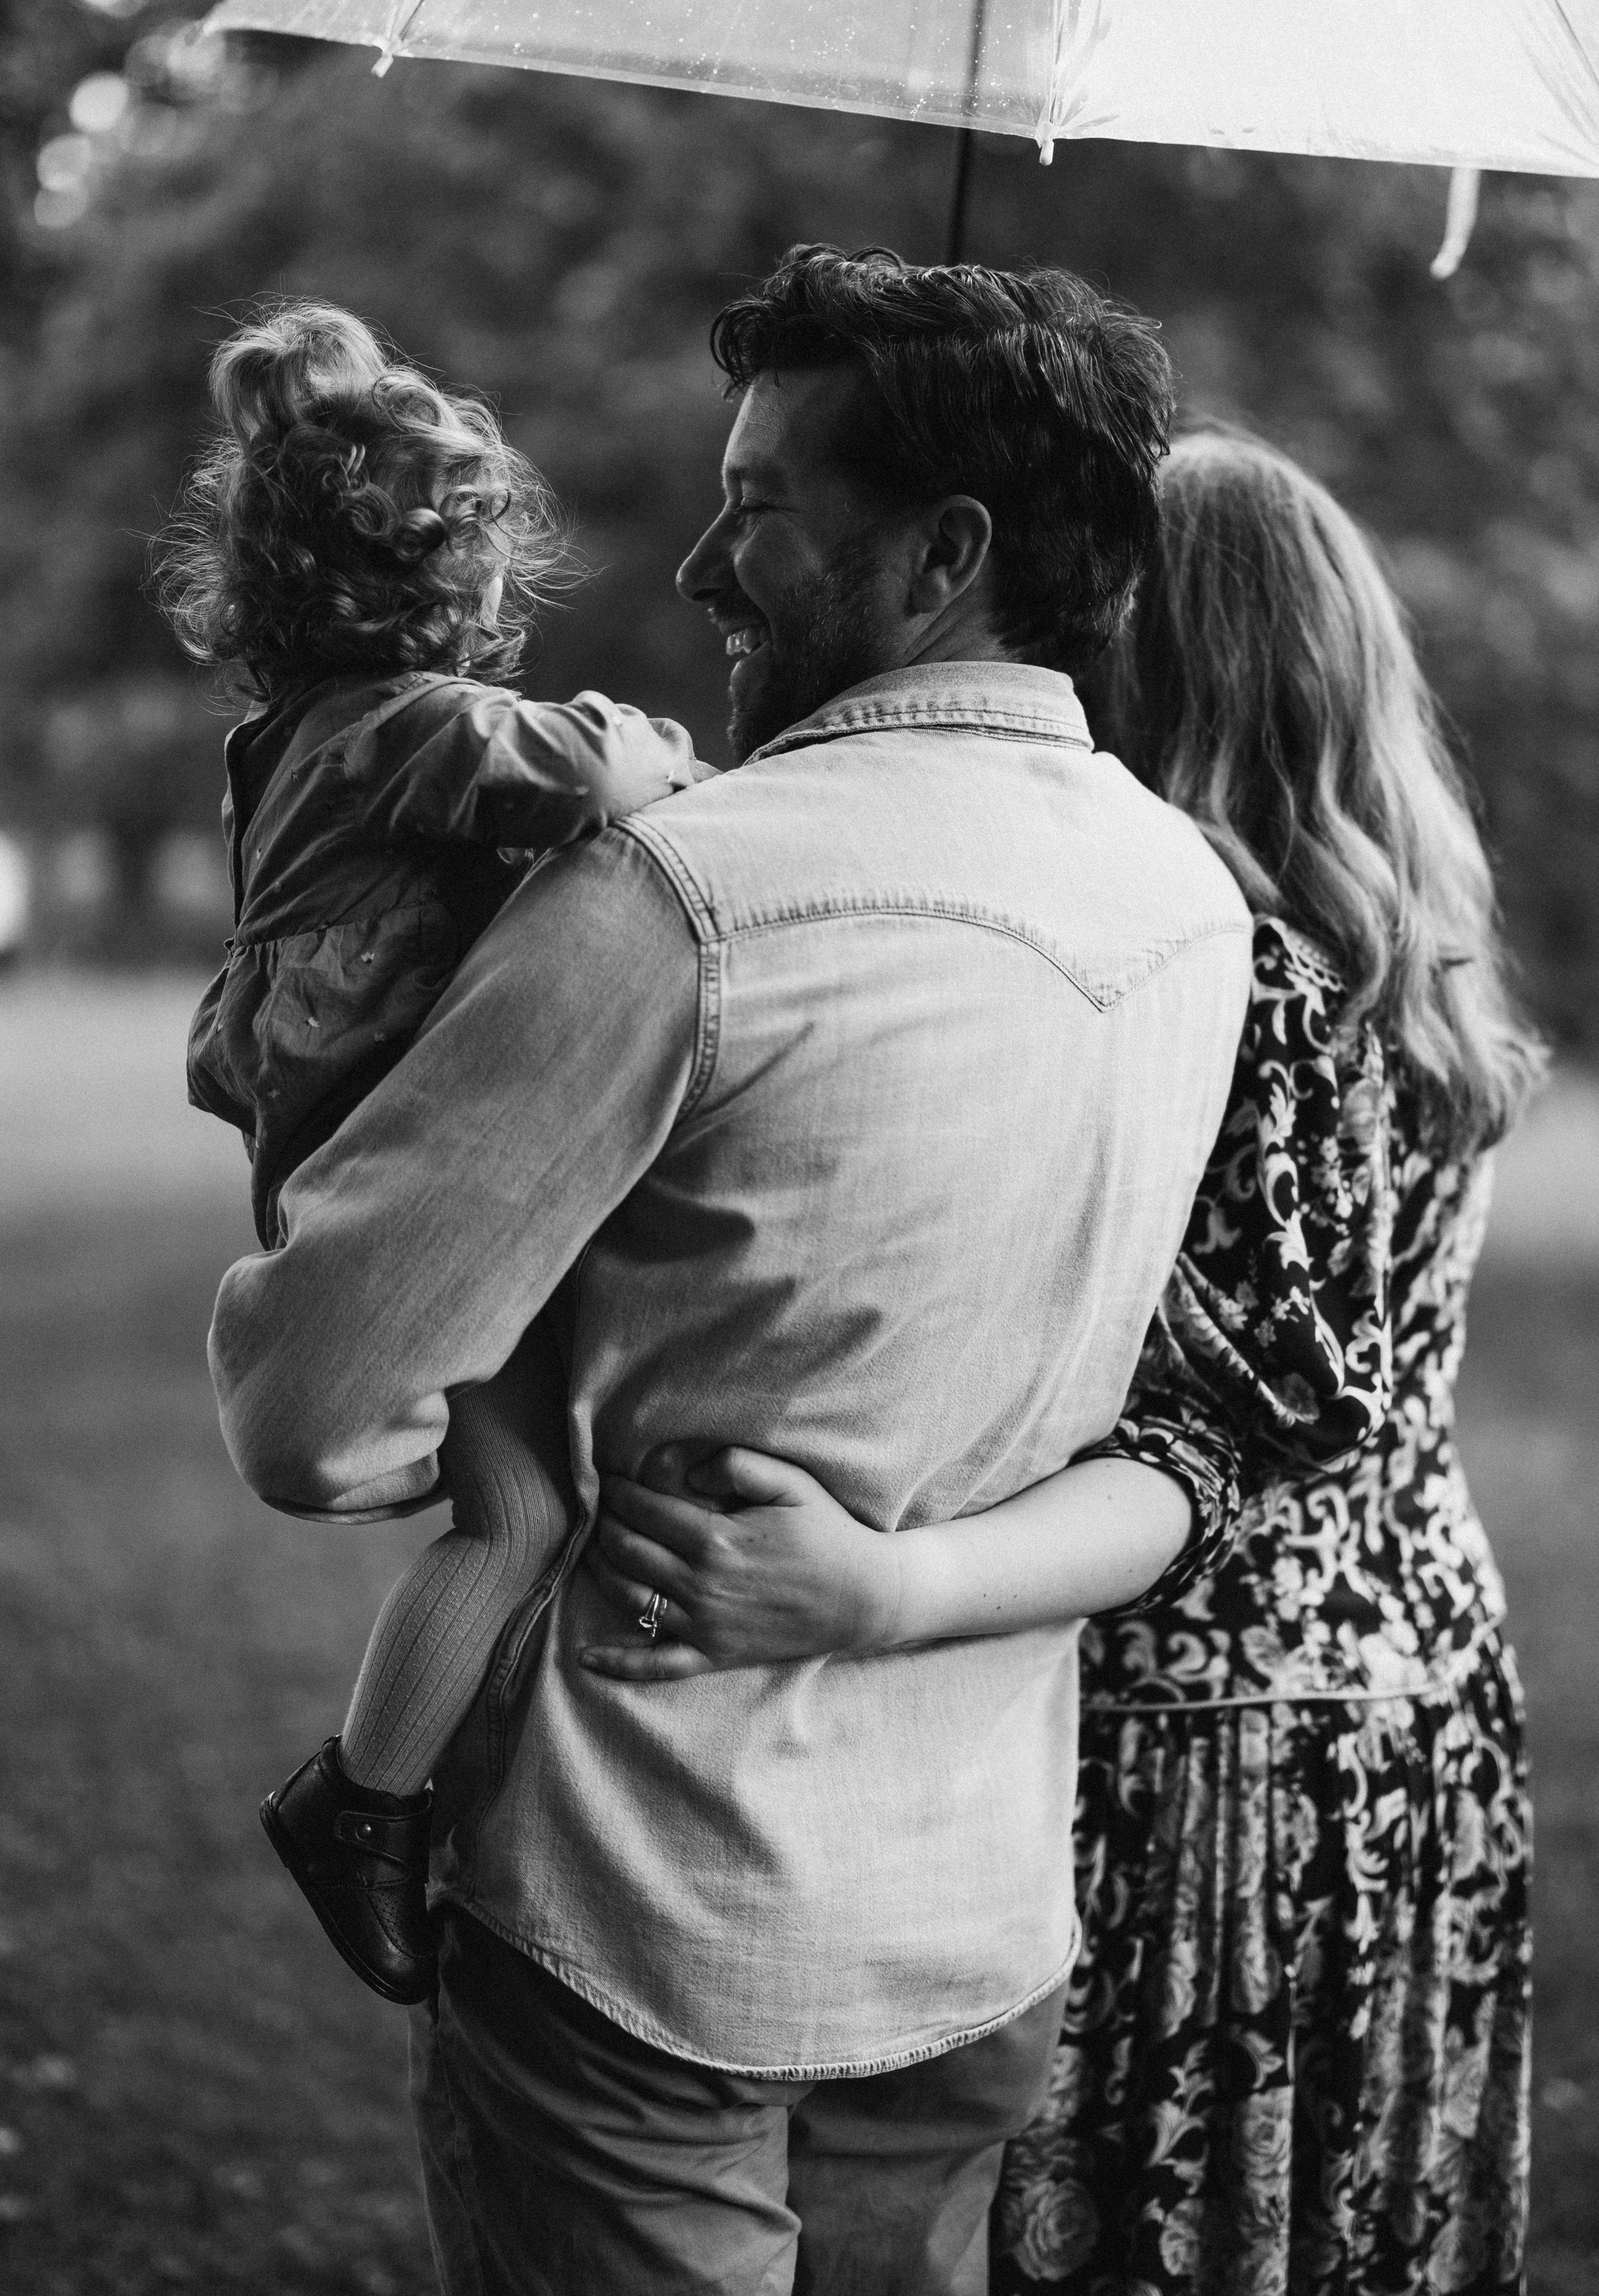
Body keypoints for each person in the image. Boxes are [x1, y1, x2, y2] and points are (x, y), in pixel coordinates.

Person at [205, 248, 1256, 2293]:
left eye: (764, 504)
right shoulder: (1186, 895)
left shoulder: (682, 899)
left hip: (636, 1904)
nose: (700, 561)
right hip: (963, 1905)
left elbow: (315, 1419)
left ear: (942, 550)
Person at [586, 426, 1544, 2296]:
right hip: (1427, 1706)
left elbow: (1217, 1419)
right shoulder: (1417, 965)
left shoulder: (1195, 968)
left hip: (1181, 1735)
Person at [156, 300, 702, 2006]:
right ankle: (370, 1800)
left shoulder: (301, 734)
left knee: (524, 1507)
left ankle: (377, 1795)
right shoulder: (413, 731)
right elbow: (608, 776)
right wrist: (676, 758)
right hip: (404, 1174)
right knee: (518, 1516)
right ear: (456, 578)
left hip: (349, 1153)